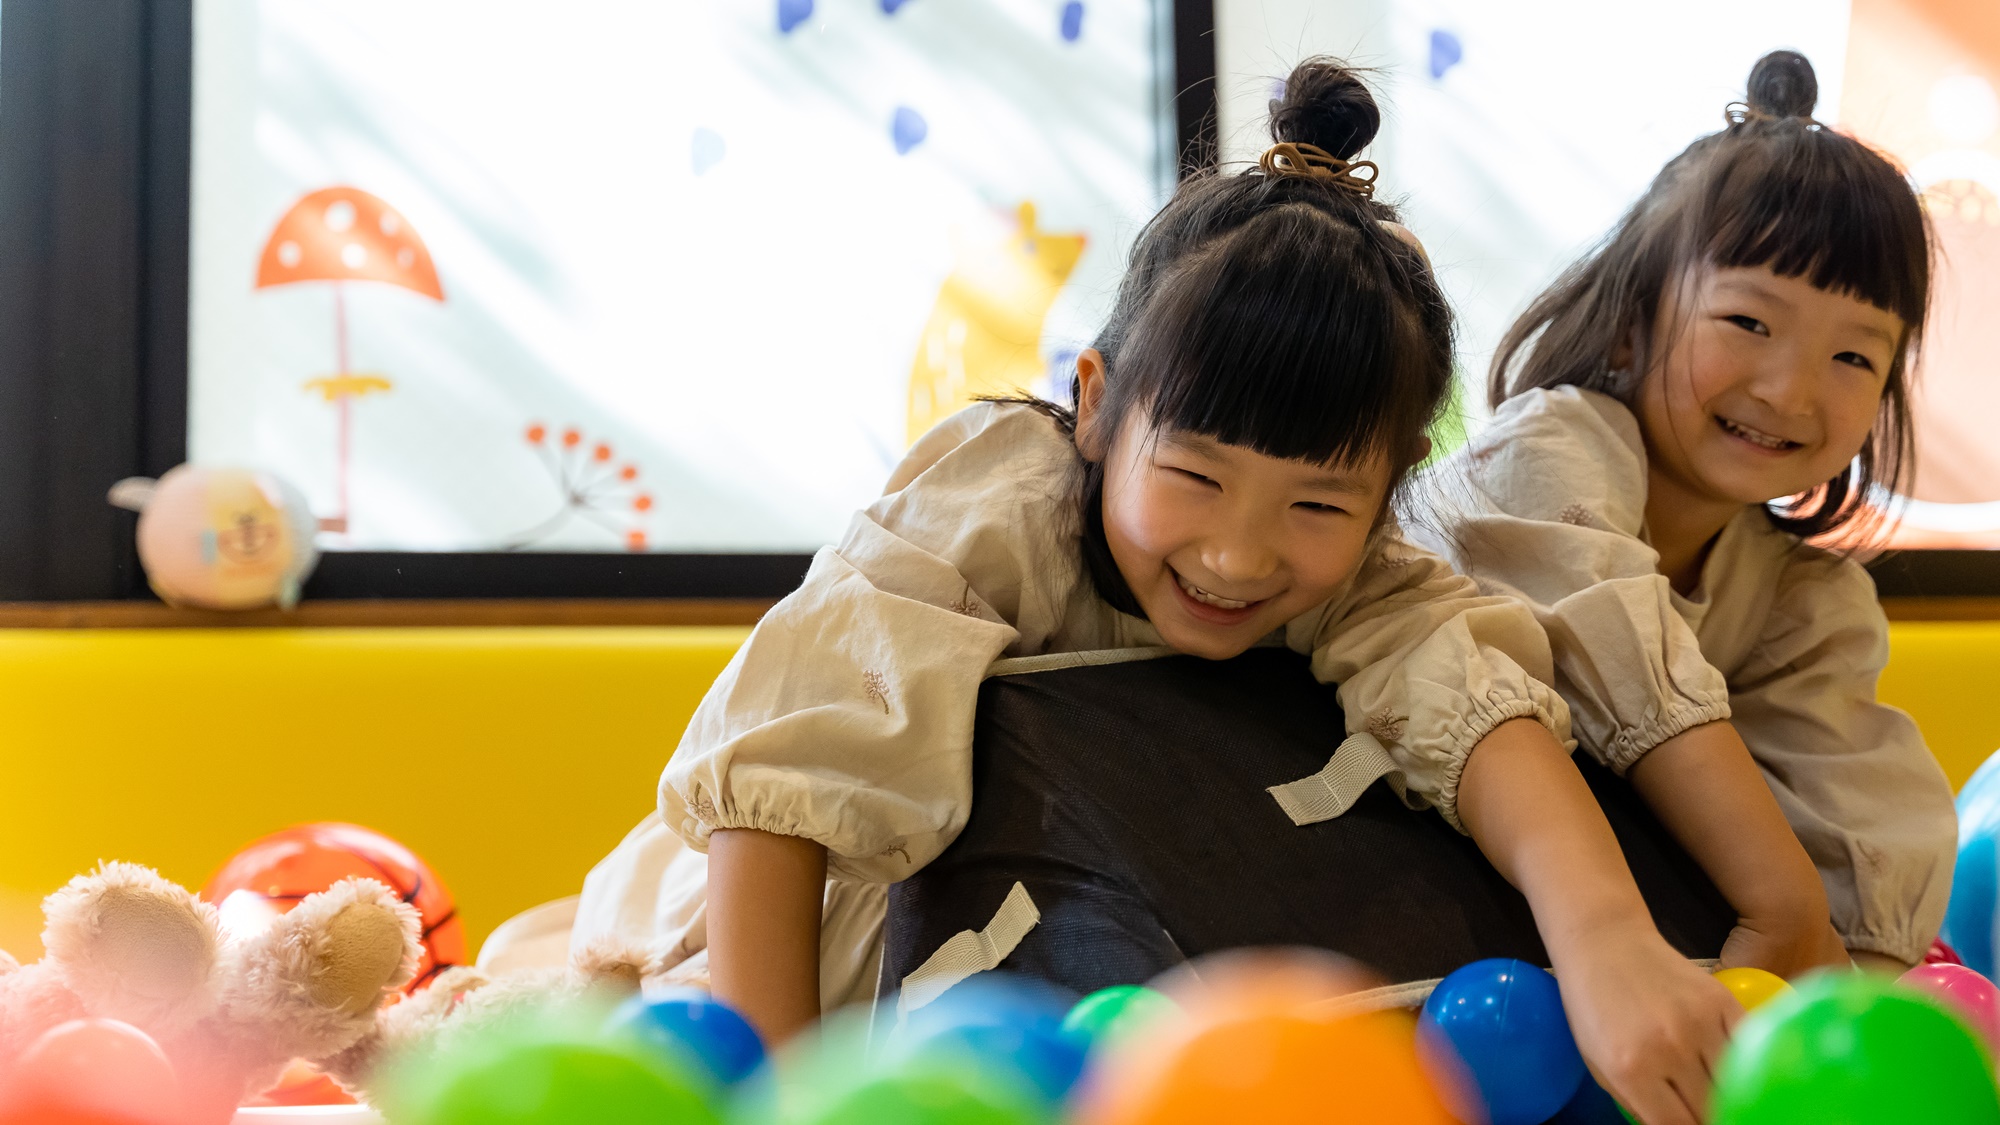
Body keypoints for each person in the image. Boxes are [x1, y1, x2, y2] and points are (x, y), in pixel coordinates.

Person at [577, 58, 1742, 1125]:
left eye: (1317, 504)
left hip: (1115, 1006)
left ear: (1389, 493)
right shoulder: (1002, 498)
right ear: (1094, 406)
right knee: (609, 998)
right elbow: (789, 786)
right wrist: (784, 1091)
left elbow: (1475, 707)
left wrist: (1606, 943)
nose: (1238, 556)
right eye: (1194, 476)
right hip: (814, 944)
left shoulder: (1370, 581)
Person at [1418, 50, 1956, 992]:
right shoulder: (1549, 448)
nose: (1790, 390)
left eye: (1853, 357)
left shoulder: (1800, 596)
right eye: (1749, 323)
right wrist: (1784, 904)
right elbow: (1613, 635)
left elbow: (1864, 800)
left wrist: (1844, 1010)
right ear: (1633, 321)